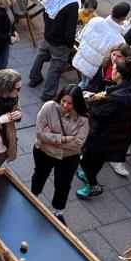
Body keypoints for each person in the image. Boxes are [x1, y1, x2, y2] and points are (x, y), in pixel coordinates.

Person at [77, 59, 131, 199]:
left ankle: (93, 185)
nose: (111, 71)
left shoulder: (114, 98)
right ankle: (89, 174)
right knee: (98, 159)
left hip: (102, 135)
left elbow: (99, 113)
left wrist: (91, 100)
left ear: (118, 74)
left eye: (113, 69)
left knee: (85, 159)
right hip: (119, 133)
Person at [29, 0, 87, 101]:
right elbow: (70, 27)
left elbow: (45, 11)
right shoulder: (72, 3)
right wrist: (69, 43)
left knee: (40, 56)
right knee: (55, 68)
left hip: (48, 34)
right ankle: (48, 94)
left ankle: (34, 79)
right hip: (59, 42)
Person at [32, 85, 89, 216]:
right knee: (39, 175)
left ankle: (58, 211)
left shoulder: (83, 118)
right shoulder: (48, 107)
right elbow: (39, 133)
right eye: (64, 101)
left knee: (63, 185)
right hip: (43, 153)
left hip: (68, 157)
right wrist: (63, 139)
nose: (65, 105)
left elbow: (78, 143)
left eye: (70, 103)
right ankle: (33, 199)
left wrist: (50, 138)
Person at [72, 1, 130, 81]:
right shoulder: (120, 41)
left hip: (80, 60)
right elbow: (112, 62)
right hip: (93, 71)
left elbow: (81, 36)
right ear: (124, 18)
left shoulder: (95, 20)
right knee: (85, 85)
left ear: (112, 10)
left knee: (82, 81)